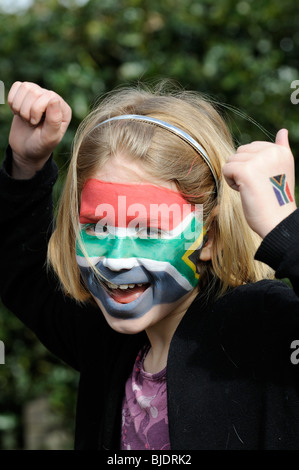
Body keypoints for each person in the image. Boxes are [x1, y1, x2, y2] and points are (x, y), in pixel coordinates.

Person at [0, 80, 299, 451]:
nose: (116, 258)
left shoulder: (260, 326)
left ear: (209, 237)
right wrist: (27, 164)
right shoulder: (103, 339)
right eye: (99, 226)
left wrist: (284, 227)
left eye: (149, 230)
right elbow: (22, 271)